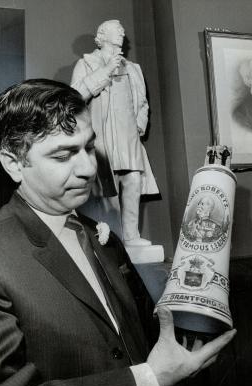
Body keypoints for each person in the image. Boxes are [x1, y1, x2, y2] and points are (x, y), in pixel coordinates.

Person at [0, 79, 236, 386]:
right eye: (63, 155)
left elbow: (141, 338)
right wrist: (150, 380)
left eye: (88, 147)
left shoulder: (104, 238)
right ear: (13, 163)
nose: (89, 168)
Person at [71, 19, 158, 247]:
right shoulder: (87, 63)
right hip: (100, 133)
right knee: (106, 187)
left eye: (122, 29)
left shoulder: (133, 68)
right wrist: (106, 70)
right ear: (101, 35)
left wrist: (140, 123)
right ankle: (114, 240)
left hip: (128, 134)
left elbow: (143, 102)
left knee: (133, 180)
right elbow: (75, 96)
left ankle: (131, 236)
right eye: (116, 29)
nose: (122, 32)